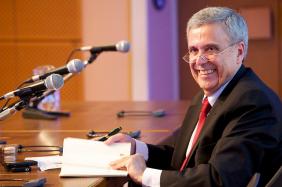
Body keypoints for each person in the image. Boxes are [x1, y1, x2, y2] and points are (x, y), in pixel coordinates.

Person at [105, 7, 282, 187]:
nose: (199, 60)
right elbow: (183, 158)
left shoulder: (253, 102)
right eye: (194, 50)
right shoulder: (206, 97)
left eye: (211, 49)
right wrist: (136, 148)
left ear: (239, 51)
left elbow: (218, 180)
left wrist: (144, 175)